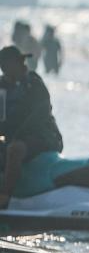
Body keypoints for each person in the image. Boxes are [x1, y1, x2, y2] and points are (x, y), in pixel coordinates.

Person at [0, 46, 64, 209]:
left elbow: (39, 115)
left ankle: (5, 197)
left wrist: (13, 136)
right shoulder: (2, 88)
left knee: (15, 149)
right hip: (12, 137)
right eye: (18, 62)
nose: (24, 65)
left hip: (44, 136)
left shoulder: (34, 84)